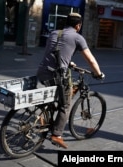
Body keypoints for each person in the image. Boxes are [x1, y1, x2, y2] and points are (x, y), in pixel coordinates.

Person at [36, 13, 105, 149]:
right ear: (78, 26)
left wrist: (68, 63)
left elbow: (54, 52)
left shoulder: (54, 33)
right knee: (66, 104)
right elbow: (91, 60)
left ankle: (44, 117)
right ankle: (57, 134)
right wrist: (98, 73)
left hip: (42, 72)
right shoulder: (78, 38)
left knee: (58, 94)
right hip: (57, 75)